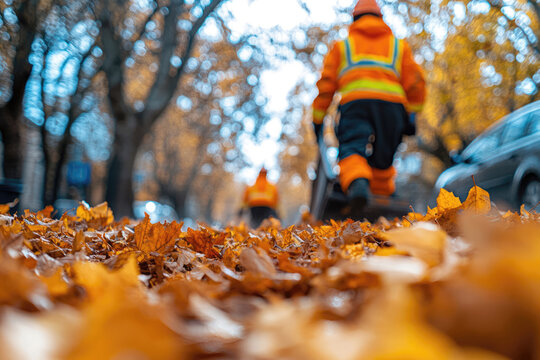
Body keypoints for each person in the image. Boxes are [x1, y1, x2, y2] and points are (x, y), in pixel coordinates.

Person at [312, 0, 426, 212]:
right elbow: (417, 83)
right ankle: (379, 208)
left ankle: (358, 185)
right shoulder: (399, 46)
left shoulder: (342, 46)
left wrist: (317, 119)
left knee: (352, 149)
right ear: (381, 18)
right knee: (384, 159)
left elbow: (326, 86)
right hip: (393, 108)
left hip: (355, 104)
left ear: (354, 18)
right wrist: (412, 115)